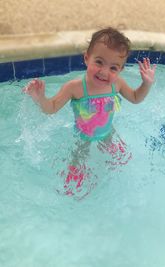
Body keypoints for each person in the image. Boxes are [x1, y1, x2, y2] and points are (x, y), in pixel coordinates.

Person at [23, 27, 156, 197]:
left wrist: (146, 84)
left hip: (108, 133)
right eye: (99, 62)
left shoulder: (117, 84)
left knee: (120, 162)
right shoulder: (75, 87)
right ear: (87, 58)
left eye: (113, 68)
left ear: (121, 70)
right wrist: (40, 97)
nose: (104, 72)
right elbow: (52, 108)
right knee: (78, 161)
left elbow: (136, 98)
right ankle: (70, 188)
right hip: (83, 136)